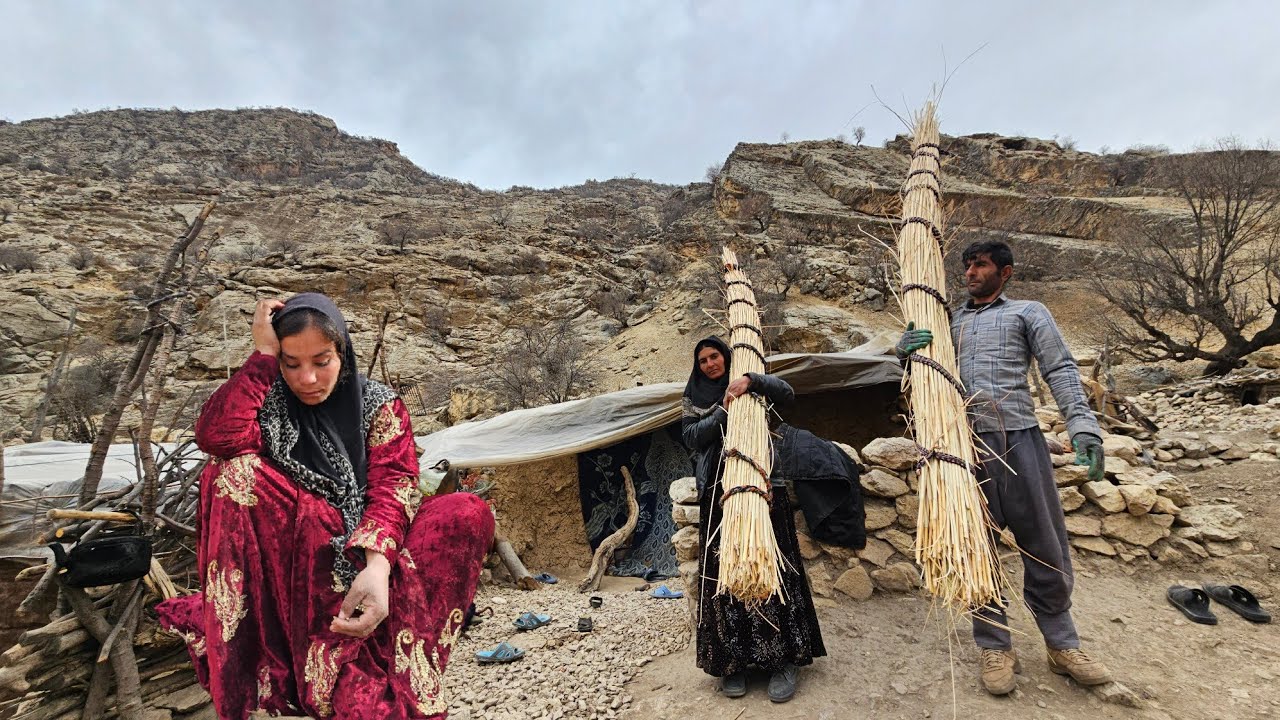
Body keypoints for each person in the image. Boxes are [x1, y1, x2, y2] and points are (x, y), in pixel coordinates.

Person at [156, 293, 495, 719]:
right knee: (232, 473)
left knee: (466, 511)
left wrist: (376, 566)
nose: (308, 379)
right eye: (291, 363)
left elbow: (393, 487)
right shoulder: (270, 409)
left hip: (372, 546)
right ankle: (272, 668)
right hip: (298, 565)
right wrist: (262, 357)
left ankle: (394, 636)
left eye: (322, 361)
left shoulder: (378, 406)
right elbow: (217, 437)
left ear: (343, 352)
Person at [895, 240, 1112, 696]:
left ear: (1005, 272)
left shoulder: (1027, 313)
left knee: (1044, 541)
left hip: (1019, 439)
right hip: (961, 447)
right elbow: (921, 381)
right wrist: (904, 355)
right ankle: (995, 645)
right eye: (967, 266)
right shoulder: (945, 322)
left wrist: (1082, 426)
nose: (971, 273)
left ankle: (1062, 644)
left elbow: (1060, 369)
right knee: (974, 545)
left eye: (981, 265)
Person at [681, 336, 825, 703]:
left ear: (727, 357)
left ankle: (785, 661)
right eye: (703, 360)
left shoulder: (751, 383)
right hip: (719, 494)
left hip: (763, 487)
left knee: (775, 568)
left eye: (715, 356)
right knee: (724, 576)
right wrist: (723, 410)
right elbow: (691, 437)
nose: (710, 364)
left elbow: (788, 393)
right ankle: (733, 664)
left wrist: (752, 381)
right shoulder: (694, 396)